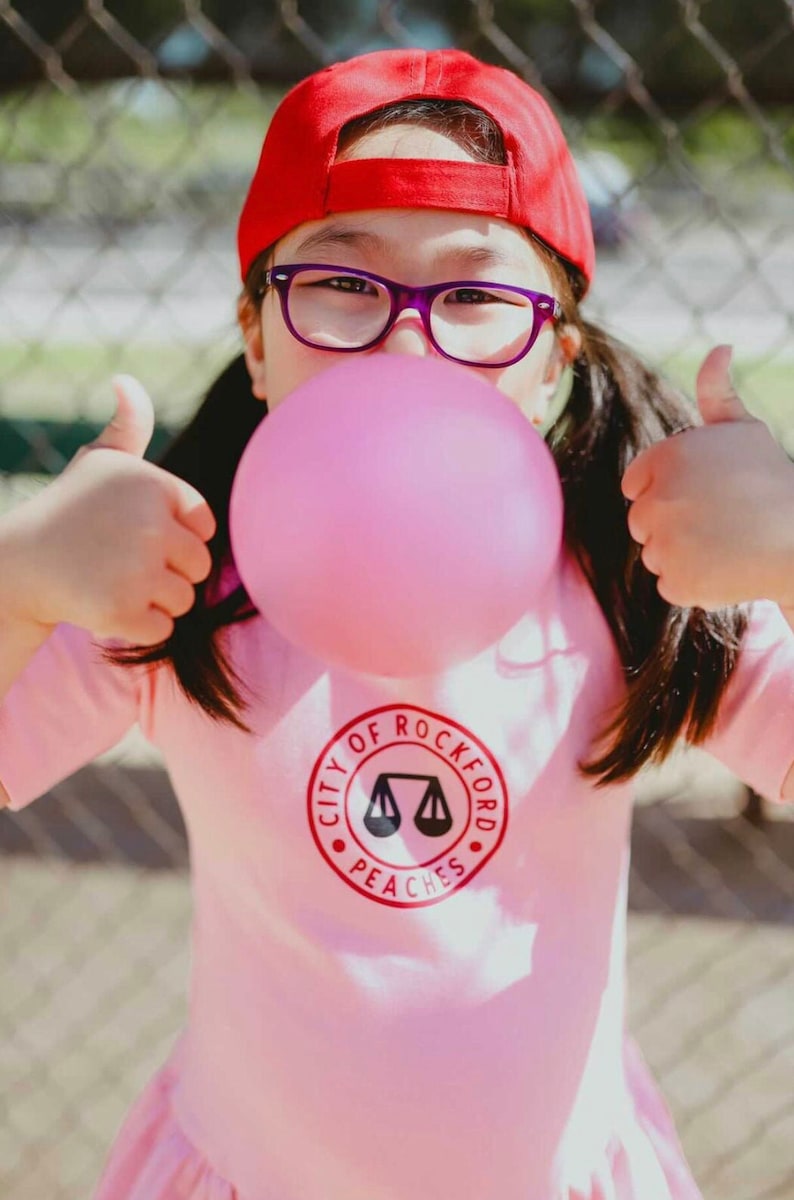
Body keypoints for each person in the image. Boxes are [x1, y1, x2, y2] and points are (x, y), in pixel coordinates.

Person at [1, 47, 793, 1200]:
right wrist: (20, 577)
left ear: (552, 360)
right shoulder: (176, 588)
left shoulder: (636, 586)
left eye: (474, 295)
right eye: (340, 286)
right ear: (257, 340)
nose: (405, 342)